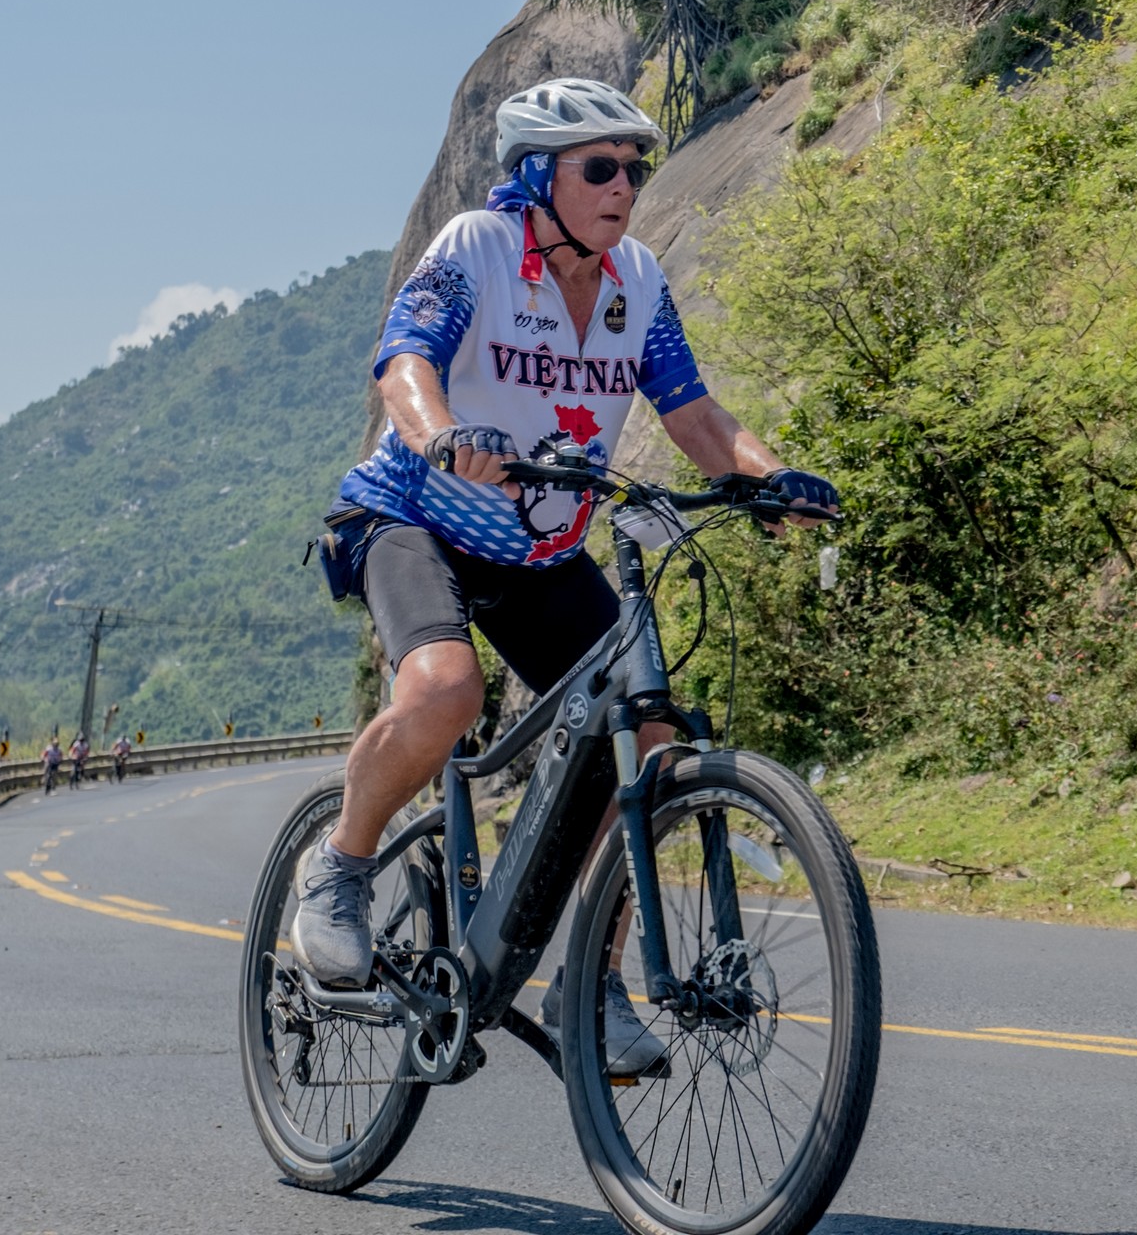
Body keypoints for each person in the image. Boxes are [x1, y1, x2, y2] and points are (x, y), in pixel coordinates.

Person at [296, 78, 838, 1071]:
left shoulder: (636, 278)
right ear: (539, 177)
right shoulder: (476, 249)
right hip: (413, 516)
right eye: (600, 167)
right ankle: (336, 870)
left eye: (635, 168)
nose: (624, 185)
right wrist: (441, 434)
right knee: (447, 689)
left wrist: (767, 479)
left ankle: (592, 978)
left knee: (649, 735)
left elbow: (694, 415)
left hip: (540, 549)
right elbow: (405, 362)